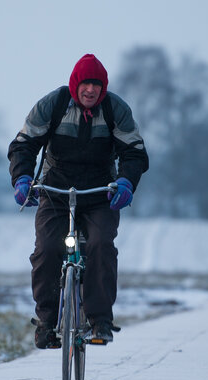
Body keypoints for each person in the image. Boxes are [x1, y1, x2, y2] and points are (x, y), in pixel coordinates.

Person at [8, 54, 149, 349]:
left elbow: (134, 151)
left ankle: (100, 320)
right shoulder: (54, 105)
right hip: (55, 192)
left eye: (96, 86)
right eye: (86, 84)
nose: (90, 91)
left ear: (103, 88)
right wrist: (22, 179)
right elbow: (24, 144)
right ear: (75, 84)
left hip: (100, 195)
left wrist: (125, 182)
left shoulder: (115, 109)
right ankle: (46, 322)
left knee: (100, 245)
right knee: (46, 249)